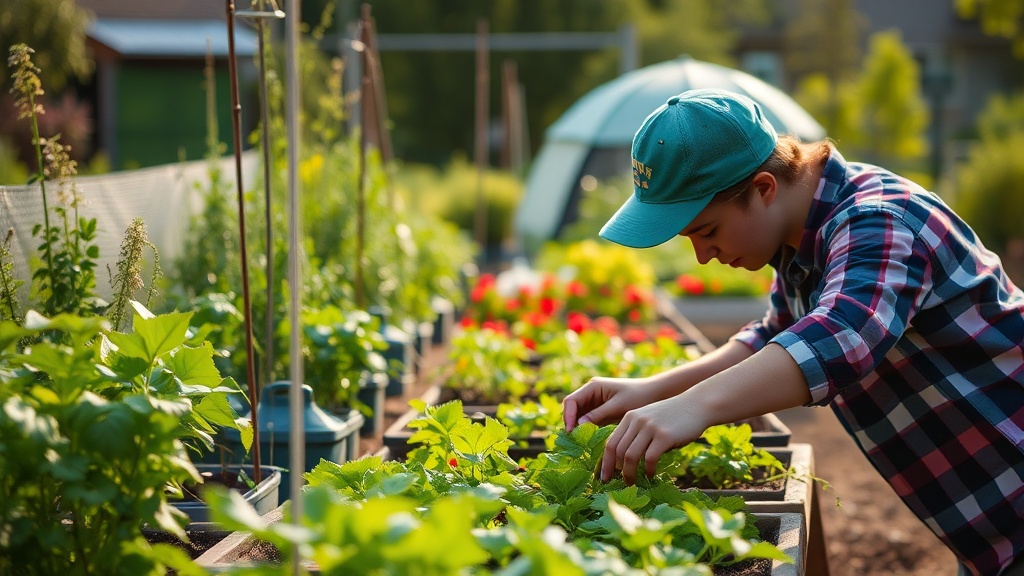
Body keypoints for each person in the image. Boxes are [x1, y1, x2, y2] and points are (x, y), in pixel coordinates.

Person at [561, 88, 1024, 576]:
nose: (702, 256)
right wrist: (652, 390)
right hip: (988, 523)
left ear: (763, 188)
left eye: (708, 231)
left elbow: (843, 336)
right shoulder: (801, 239)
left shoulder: (879, 219)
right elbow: (773, 335)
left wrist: (694, 407)